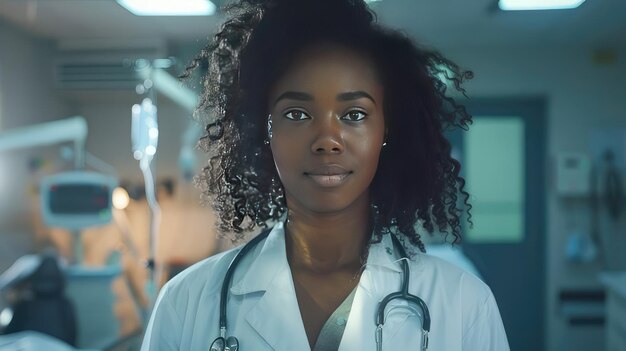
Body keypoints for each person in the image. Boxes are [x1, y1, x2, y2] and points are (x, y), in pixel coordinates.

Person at [141, 0, 510, 349]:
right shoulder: (185, 302)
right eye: (297, 114)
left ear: (386, 131)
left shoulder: (464, 304)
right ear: (263, 131)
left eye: (354, 115)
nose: (327, 141)